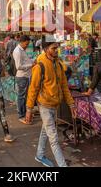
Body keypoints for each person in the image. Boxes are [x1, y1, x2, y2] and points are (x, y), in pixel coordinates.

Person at [26, 35, 76, 167]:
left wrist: (71, 104)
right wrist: (29, 109)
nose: (56, 50)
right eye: (54, 48)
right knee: (54, 138)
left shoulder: (58, 64)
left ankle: (40, 155)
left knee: (46, 130)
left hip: (55, 104)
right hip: (44, 105)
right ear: (46, 48)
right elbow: (33, 89)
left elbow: (64, 86)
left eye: (57, 48)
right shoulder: (39, 65)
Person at [13, 35, 35, 124]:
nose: (27, 46)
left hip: (26, 76)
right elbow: (18, 66)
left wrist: (32, 61)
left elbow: (25, 61)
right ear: (22, 42)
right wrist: (31, 65)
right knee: (21, 97)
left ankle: (25, 113)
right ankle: (21, 115)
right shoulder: (17, 51)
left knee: (25, 96)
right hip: (22, 76)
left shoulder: (22, 50)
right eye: (26, 44)